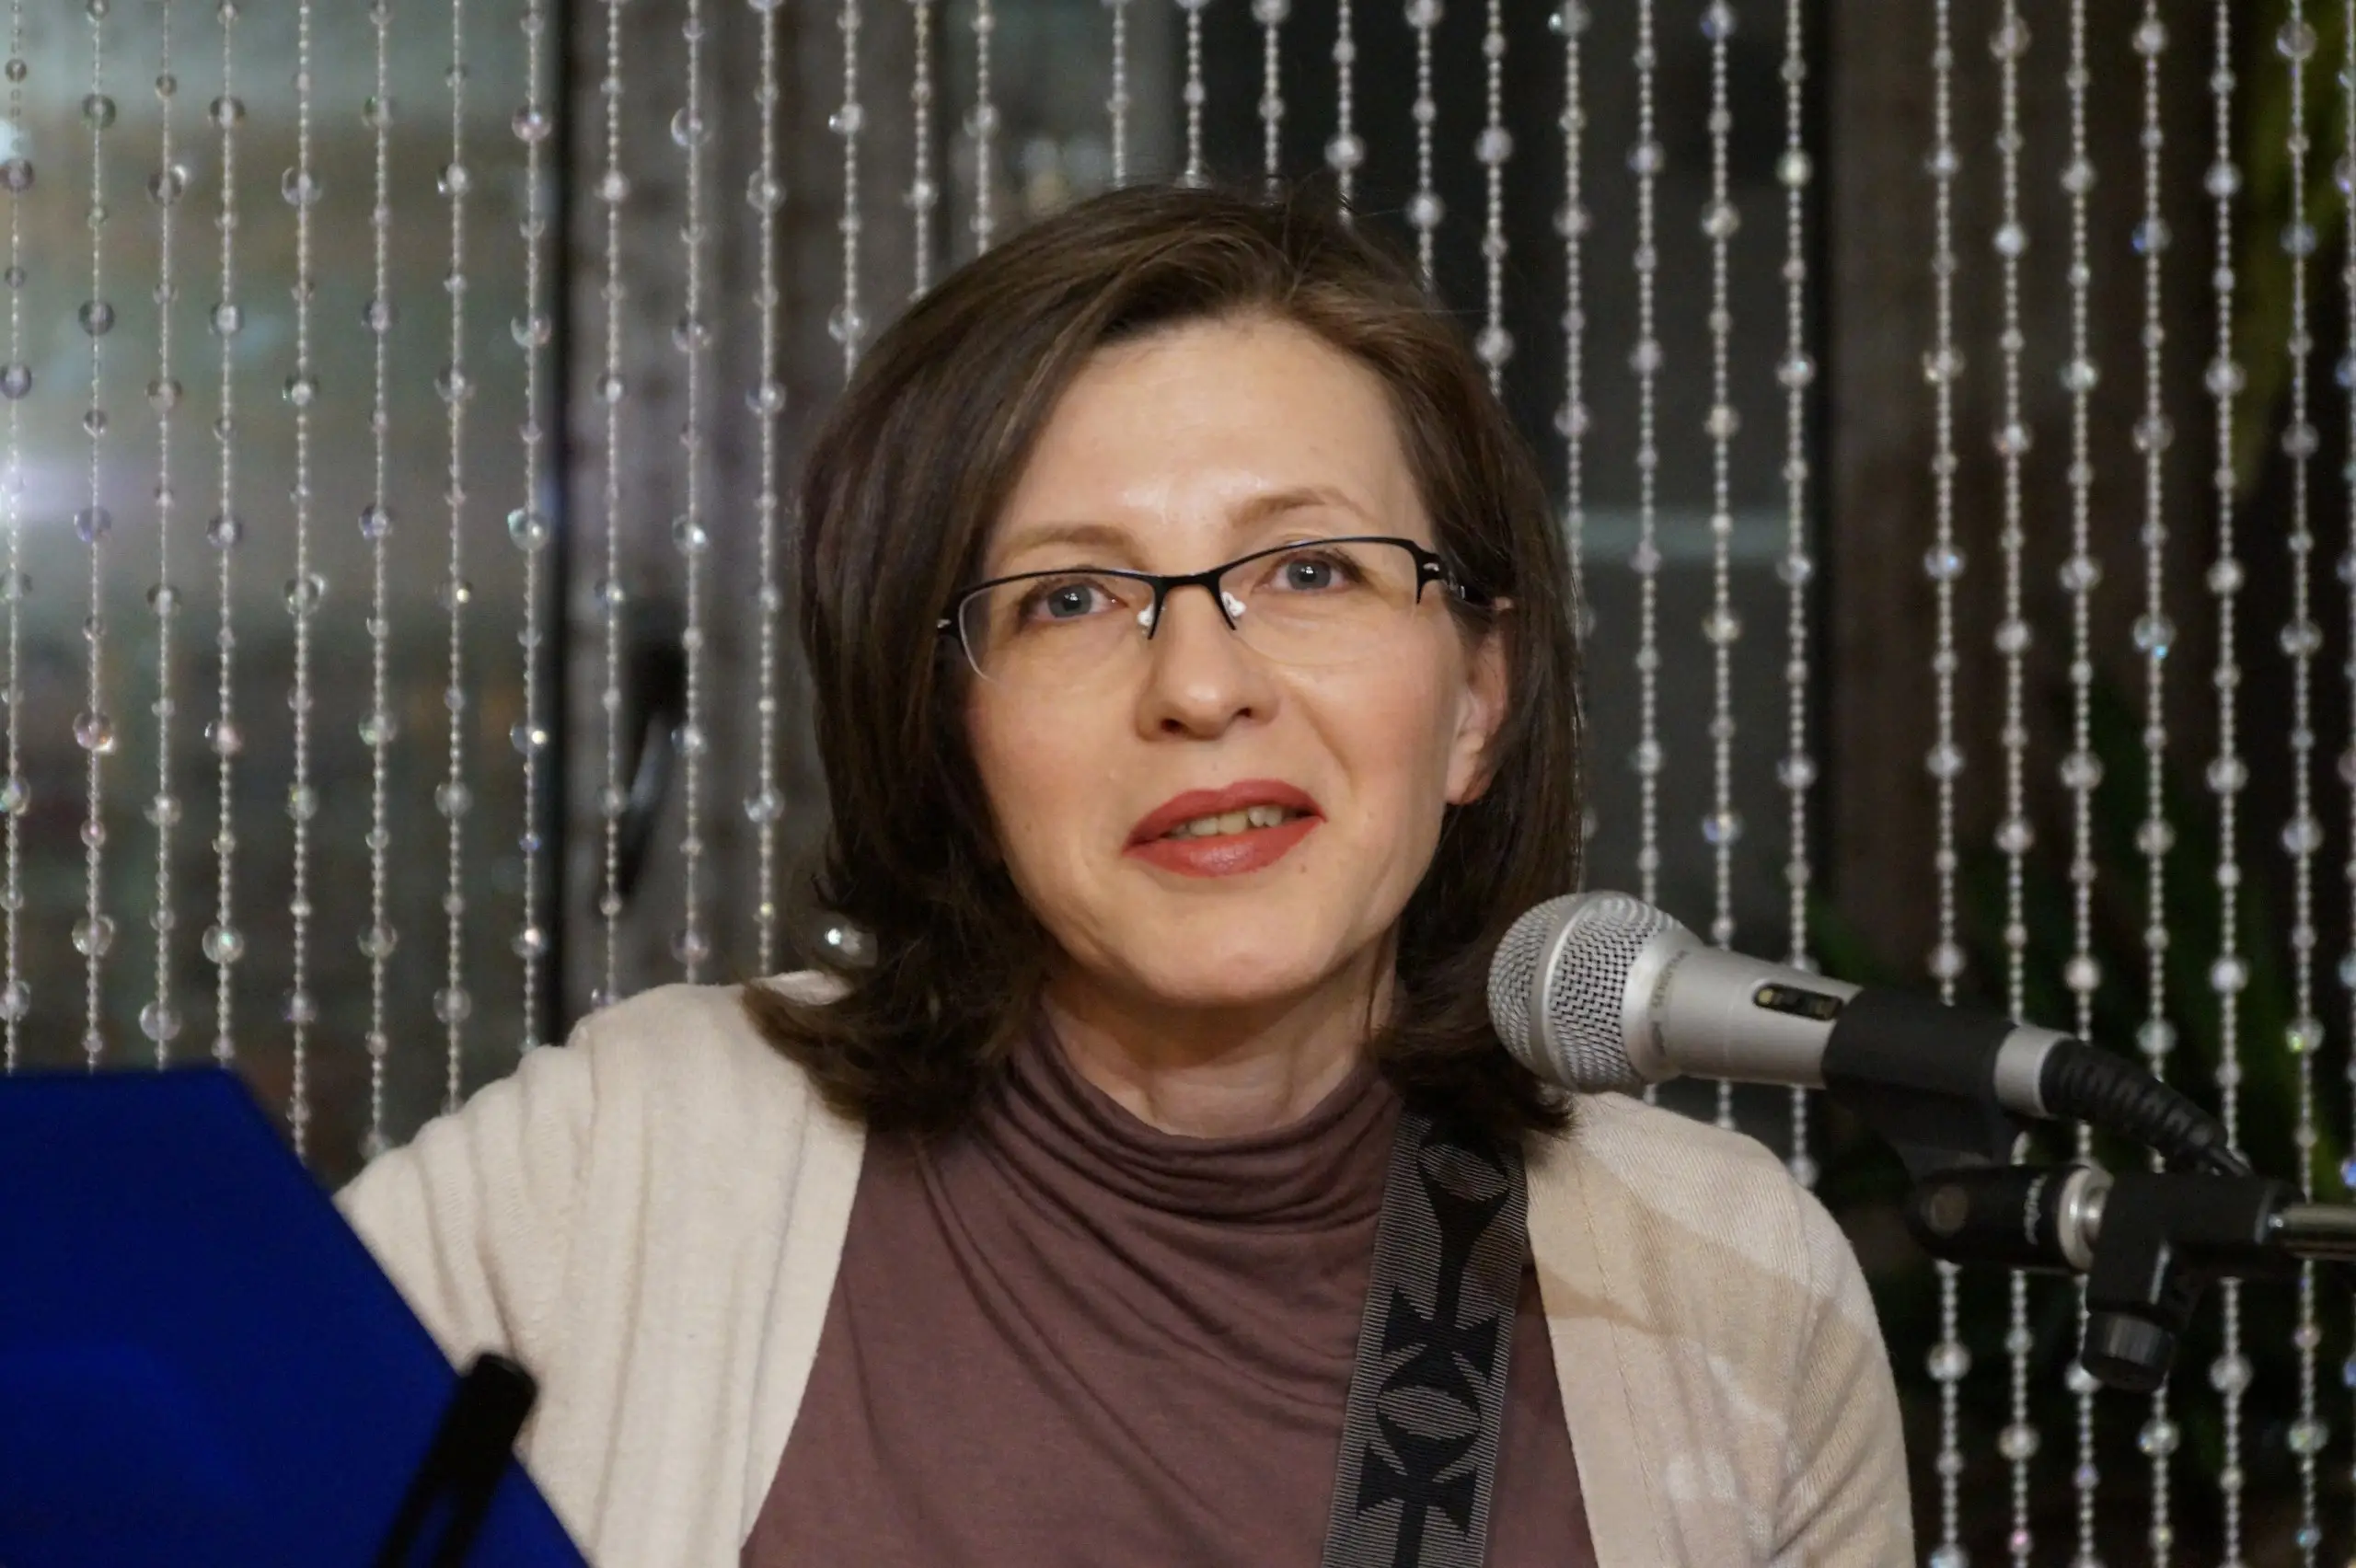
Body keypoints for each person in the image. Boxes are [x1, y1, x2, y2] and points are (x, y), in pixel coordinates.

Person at [339, 179, 1910, 1567]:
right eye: (1073, 599)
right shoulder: (621, 1162)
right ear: (949, 735)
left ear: (1475, 704)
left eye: (1311, 570)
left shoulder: (1732, 1283)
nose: (1201, 686)